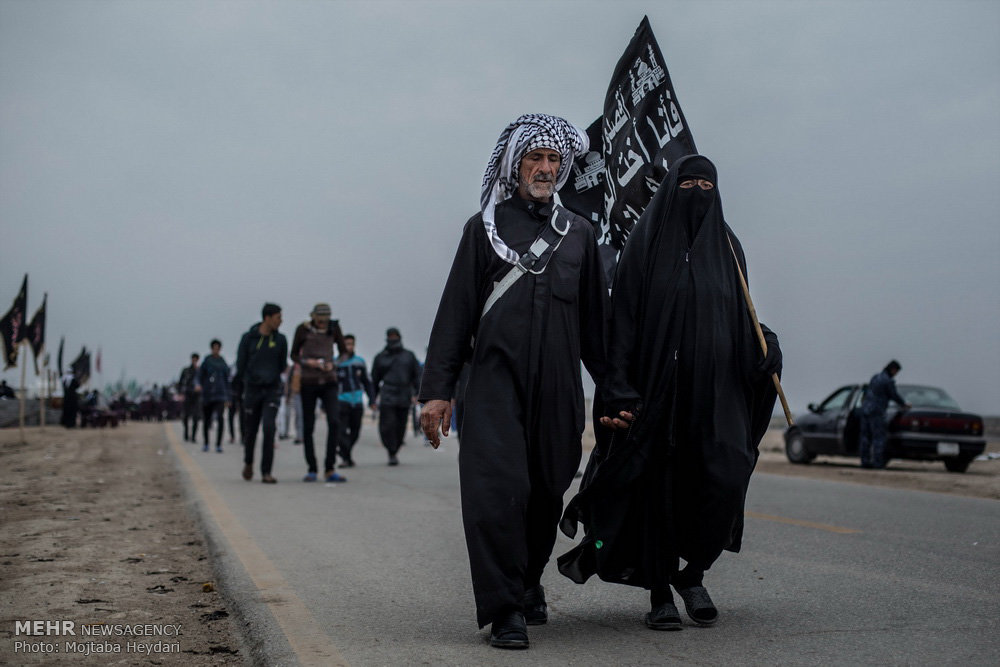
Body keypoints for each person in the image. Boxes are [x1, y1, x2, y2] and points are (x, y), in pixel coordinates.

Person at [558, 155, 783, 632]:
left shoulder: (727, 246)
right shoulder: (645, 245)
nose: (697, 192)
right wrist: (618, 389)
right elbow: (622, 323)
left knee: (725, 477)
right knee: (655, 493)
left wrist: (767, 343)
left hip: (715, 394)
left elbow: (739, 314)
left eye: (707, 184)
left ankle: (693, 573)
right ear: (668, 192)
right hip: (657, 393)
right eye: (687, 183)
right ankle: (660, 590)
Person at [419, 114, 606, 649]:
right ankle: (504, 609)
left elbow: (597, 328)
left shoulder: (580, 234)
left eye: (553, 159)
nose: (544, 168)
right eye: (534, 158)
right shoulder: (484, 229)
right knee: (498, 492)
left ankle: (526, 581)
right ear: (514, 164)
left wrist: (618, 393)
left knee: (547, 490)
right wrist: (437, 391)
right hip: (493, 385)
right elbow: (455, 312)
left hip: (559, 389)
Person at [290, 303, 348, 483]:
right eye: (320, 320)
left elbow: (344, 353)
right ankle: (312, 468)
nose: (323, 323)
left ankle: (330, 468)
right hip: (308, 382)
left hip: (329, 381)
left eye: (325, 320)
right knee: (308, 426)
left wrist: (334, 364)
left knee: (334, 421)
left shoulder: (334, 327)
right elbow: (293, 355)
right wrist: (308, 362)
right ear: (314, 317)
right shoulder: (303, 329)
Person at [235, 303, 288, 484]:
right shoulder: (248, 339)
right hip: (252, 391)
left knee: (269, 428)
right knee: (250, 431)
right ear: (267, 318)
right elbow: (241, 365)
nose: (281, 321)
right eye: (278, 317)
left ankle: (266, 471)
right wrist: (244, 387)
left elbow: (282, 365)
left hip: (271, 391)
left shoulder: (280, 340)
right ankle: (248, 462)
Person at [371, 327, 420, 467]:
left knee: (400, 426)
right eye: (390, 336)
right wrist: (372, 399)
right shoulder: (380, 357)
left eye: (395, 336)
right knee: (387, 425)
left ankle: (395, 449)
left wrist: (418, 393)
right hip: (387, 394)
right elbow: (374, 380)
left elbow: (417, 376)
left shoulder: (409, 356)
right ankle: (391, 451)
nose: (392, 339)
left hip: (404, 394)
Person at [859, 360, 910, 469]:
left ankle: (865, 461)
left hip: (866, 410)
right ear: (893, 370)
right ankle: (877, 463)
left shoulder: (875, 377)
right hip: (877, 411)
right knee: (878, 438)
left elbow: (867, 392)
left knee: (865, 437)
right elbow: (893, 395)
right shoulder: (888, 381)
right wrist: (903, 404)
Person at [336, 334, 374, 468]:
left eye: (351, 344)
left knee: (355, 431)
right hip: (341, 400)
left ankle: (345, 454)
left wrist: (372, 400)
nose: (349, 347)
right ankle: (345, 457)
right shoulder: (336, 363)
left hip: (357, 400)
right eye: (346, 344)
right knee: (341, 431)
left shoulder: (359, 362)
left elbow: (367, 382)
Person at [198, 339, 231, 453]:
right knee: (207, 420)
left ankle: (218, 444)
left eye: (218, 348)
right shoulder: (207, 361)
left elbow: (227, 380)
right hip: (208, 395)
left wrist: (228, 397)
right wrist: (200, 386)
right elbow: (200, 377)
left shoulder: (223, 362)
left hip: (220, 395)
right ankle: (206, 443)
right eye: (214, 348)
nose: (216, 350)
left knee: (220, 419)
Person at [178, 353, 201, 442]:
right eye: (193, 359)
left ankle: (193, 436)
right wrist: (180, 393)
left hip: (197, 396)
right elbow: (181, 382)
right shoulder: (186, 370)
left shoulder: (200, 371)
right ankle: (186, 433)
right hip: (187, 395)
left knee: (196, 417)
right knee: (186, 416)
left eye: (196, 359)